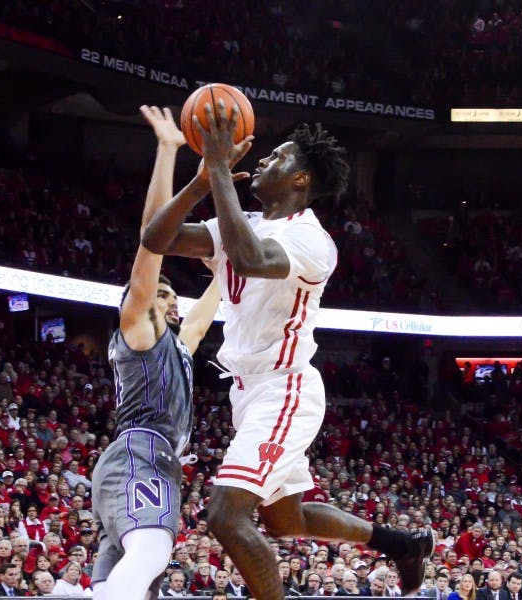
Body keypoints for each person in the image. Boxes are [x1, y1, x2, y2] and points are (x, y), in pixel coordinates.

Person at [141, 103, 433, 600]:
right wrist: (198, 184)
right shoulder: (243, 222)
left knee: (225, 514)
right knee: (284, 519)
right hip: (249, 390)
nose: (262, 160)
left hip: (285, 388)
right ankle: (400, 544)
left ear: (299, 178)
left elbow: (251, 260)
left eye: (276, 157)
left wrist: (218, 171)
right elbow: (155, 238)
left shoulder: (311, 239)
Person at [90, 106, 222, 600]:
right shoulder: (140, 329)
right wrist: (168, 152)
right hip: (140, 451)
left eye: (173, 297)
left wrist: (223, 271)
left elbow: (208, 312)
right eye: (162, 295)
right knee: (151, 552)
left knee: (130, 582)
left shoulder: (176, 345)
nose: (170, 301)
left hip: (156, 459)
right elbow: (153, 240)